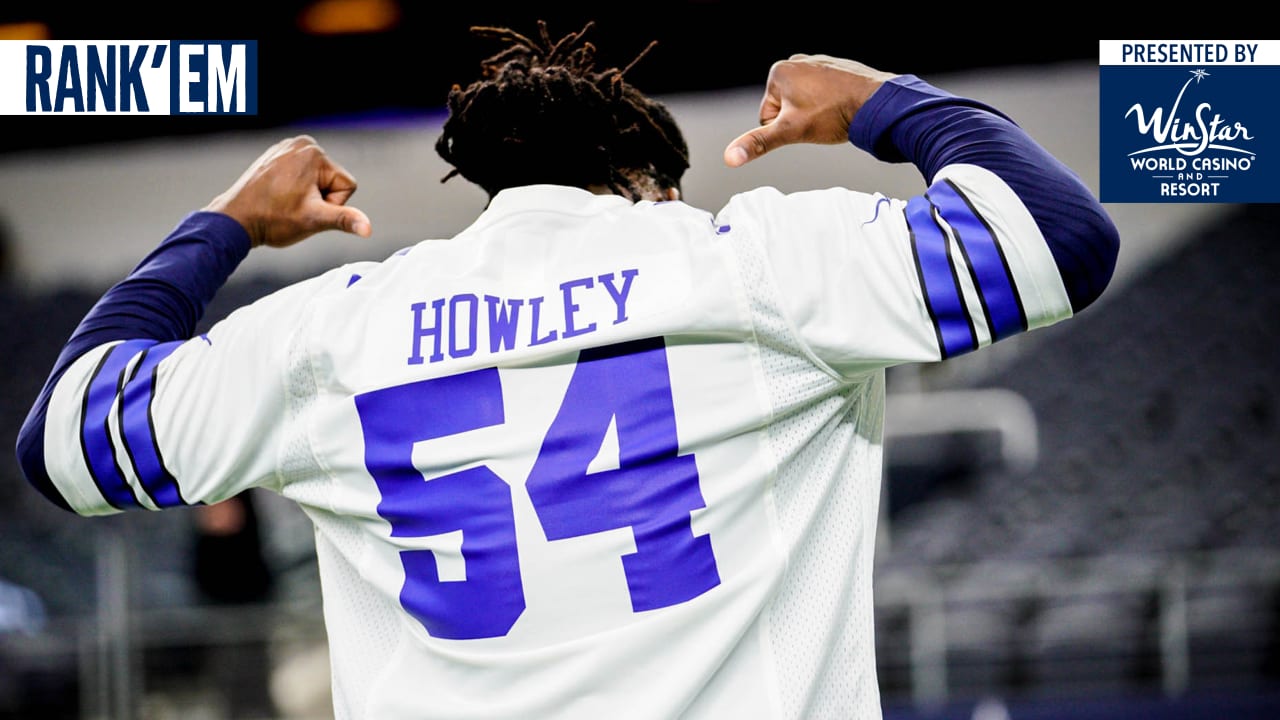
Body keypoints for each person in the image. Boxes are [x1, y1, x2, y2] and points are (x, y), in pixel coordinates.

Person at [15, 20, 1118, 720]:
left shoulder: (328, 332)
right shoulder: (751, 263)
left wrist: (224, 223)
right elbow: (1058, 235)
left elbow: (67, 435)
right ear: (649, 181)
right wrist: (879, 98)